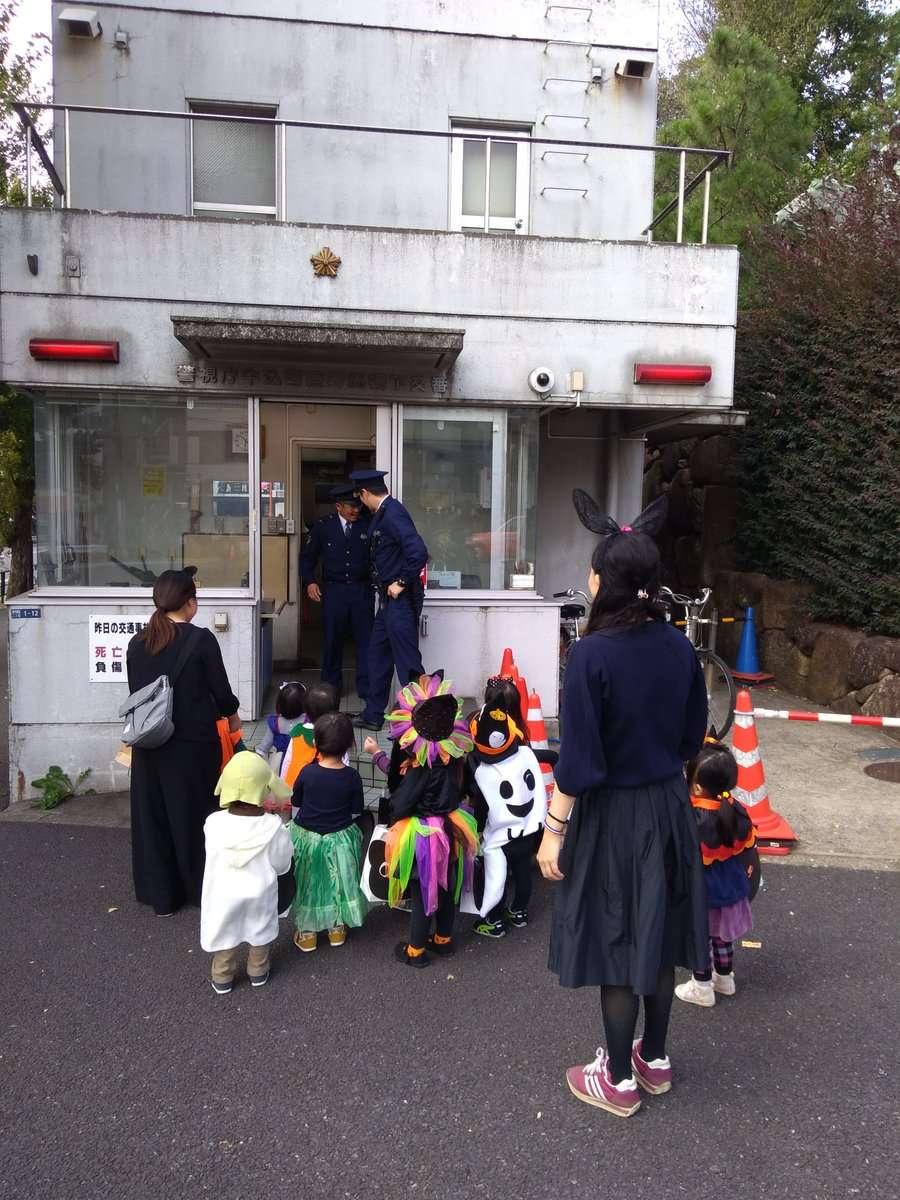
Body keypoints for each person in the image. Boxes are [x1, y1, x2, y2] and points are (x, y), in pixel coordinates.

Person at [537, 489, 709, 1119]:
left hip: (614, 814)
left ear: (604, 581)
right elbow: (692, 736)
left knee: (617, 938)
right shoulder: (679, 646)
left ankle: (615, 1078)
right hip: (668, 806)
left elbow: (580, 761)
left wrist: (553, 830)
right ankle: (653, 1060)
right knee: (656, 936)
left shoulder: (591, 654)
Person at [127, 567, 241, 916]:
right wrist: (233, 716)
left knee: (154, 817)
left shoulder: (137, 642)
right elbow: (221, 692)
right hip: (192, 744)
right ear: (190, 602)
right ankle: (198, 890)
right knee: (194, 816)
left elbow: (137, 693)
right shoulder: (200, 640)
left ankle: (162, 897)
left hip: (149, 743)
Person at [364, 672, 478, 966]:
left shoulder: (420, 767)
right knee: (446, 886)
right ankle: (443, 940)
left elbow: (401, 801)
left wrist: (397, 813)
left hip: (423, 835)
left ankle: (415, 951)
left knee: (423, 893)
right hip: (452, 827)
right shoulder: (455, 758)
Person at [200, 751, 294, 994]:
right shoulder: (273, 827)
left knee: (224, 931)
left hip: (222, 892)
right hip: (259, 892)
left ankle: (222, 976)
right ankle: (258, 971)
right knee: (259, 930)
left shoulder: (213, 823)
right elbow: (282, 863)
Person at [675, 741, 757, 1008]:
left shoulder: (693, 817)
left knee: (700, 938)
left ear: (697, 786)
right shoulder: (735, 809)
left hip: (702, 891)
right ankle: (724, 979)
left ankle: (702, 986)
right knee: (723, 937)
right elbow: (748, 847)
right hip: (731, 887)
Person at [348, 469, 428, 731]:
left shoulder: (393, 513)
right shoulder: (383, 513)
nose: (360, 504)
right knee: (378, 656)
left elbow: (419, 552)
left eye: (360, 498)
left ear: (365, 493)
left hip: (400, 600)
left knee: (407, 662)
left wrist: (401, 582)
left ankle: (424, 720)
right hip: (387, 601)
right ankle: (373, 715)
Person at [466, 697, 550, 939]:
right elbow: (550, 757)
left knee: (497, 877)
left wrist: (477, 829)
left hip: (501, 838)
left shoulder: (484, 773)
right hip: (529, 830)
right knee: (523, 873)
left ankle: (494, 921)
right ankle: (519, 912)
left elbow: (482, 808)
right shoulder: (525, 755)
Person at [290, 711, 368, 953]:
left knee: (308, 883)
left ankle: (308, 934)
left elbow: (296, 801)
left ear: (315, 742)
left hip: (307, 837)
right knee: (340, 883)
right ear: (350, 744)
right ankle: (337, 929)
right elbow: (356, 810)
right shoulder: (352, 777)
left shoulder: (307, 772)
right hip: (340, 837)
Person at [300, 484, 373, 704]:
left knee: (366, 641)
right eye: (351, 507)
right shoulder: (324, 527)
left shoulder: (367, 524)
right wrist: (310, 582)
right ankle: (330, 687)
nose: (356, 510)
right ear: (338, 506)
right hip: (334, 591)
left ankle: (366, 688)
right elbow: (307, 557)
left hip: (361, 590)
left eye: (358, 506)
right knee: (332, 640)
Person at [280, 681, 340, 790]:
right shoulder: (337, 735)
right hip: (325, 790)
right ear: (335, 712)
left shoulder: (298, 732)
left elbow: (287, 761)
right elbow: (343, 763)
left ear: (306, 711)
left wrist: (282, 787)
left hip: (297, 788)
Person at [255, 681, 307, 773]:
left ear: (279, 704)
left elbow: (264, 747)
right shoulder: (309, 722)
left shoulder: (275, 723)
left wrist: (255, 760)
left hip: (281, 765)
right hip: (303, 765)